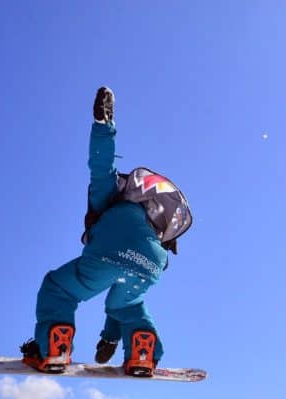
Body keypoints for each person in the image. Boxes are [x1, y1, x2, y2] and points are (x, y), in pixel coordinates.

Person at [20, 85, 192, 375]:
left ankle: (53, 350)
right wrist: (109, 339)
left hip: (111, 251)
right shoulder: (149, 216)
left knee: (58, 290)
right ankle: (141, 354)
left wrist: (104, 125)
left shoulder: (109, 194)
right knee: (127, 305)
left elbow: (101, 165)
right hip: (151, 263)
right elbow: (116, 305)